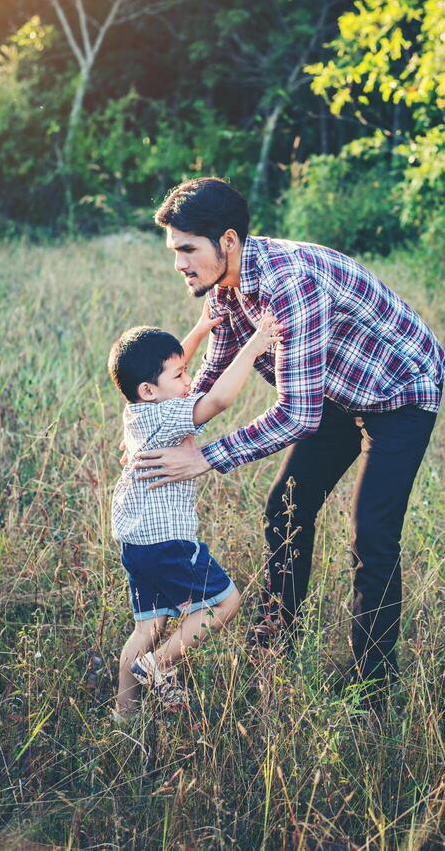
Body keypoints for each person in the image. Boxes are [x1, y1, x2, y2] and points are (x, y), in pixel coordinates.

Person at [133, 176, 445, 702]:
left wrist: (207, 457)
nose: (180, 263)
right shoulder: (228, 287)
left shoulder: (290, 283)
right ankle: (273, 644)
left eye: (188, 249)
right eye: (175, 251)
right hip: (336, 390)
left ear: (227, 242)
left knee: (371, 532)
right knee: (285, 507)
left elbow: (298, 415)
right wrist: (170, 429)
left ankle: (372, 685)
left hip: (400, 391)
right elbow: (216, 367)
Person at [108, 302, 280, 718]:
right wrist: (256, 344)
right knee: (224, 603)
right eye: (181, 375)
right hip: (167, 543)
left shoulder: (141, 408)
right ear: (150, 389)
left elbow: (166, 371)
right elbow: (218, 398)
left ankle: (124, 715)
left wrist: (201, 330)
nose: (189, 381)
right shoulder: (169, 414)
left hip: (135, 542)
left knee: (147, 628)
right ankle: (157, 666)